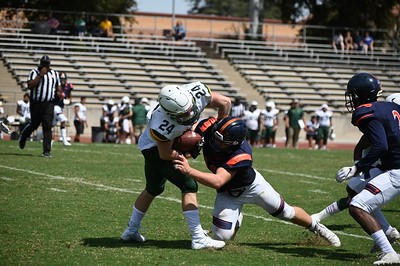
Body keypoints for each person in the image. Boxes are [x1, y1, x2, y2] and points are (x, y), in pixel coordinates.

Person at [172, 116, 341, 246]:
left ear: (234, 143)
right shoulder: (210, 126)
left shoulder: (241, 154)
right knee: (222, 238)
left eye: (221, 142)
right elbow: (219, 107)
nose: (215, 142)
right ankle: (236, 218)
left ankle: (318, 227)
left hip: (252, 187)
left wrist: (189, 170)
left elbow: (217, 181)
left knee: (286, 212)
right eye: (215, 137)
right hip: (228, 194)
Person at [120, 81, 231, 250]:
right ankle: (197, 237)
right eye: (183, 114)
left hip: (157, 145)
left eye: (191, 109)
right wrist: (185, 154)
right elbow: (164, 154)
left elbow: (225, 102)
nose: (191, 115)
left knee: (153, 188)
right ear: (169, 113)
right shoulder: (160, 124)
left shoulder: (197, 92)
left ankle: (130, 230)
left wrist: (220, 128)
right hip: (153, 149)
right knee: (189, 185)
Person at [334, 73, 400, 264]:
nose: (352, 99)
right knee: (355, 191)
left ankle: (390, 253)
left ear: (361, 94)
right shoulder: (391, 107)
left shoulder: (365, 112)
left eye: (353, 95)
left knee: (357, 206)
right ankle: (387, 232)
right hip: (390, 165)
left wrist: (357, 167)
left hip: (396, 169)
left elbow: (380, 146)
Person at [20, 55, 62, 157]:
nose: (45, 66)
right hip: (36, 103)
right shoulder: (34, 72)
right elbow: (30, 86)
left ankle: (46, 151)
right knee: (34, 125)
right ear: (40, 63)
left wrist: (59, 93)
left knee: (47, 126)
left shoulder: (54, 73)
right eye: (43, 63)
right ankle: (24, 135)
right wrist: (40, 75)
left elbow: (59, 87)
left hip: (48, 104)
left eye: (47, 64)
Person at [52, 71, 73, 146]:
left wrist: (69, 101)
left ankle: (49, 140)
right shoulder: (56, 86)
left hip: (60, 107)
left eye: (64, 79)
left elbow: (70, 96)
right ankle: (64, 140)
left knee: (52, 125)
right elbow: (58, 94)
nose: (63, 80)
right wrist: (62, 96)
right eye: (61, 79)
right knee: (63, 120)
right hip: (54, 106)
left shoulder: (68, 87)